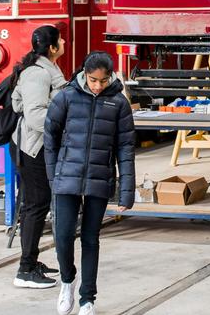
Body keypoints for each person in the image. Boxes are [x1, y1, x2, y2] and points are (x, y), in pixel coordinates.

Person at [45, 52, 135, 315]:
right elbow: (50, 138)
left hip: (99, 179)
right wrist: (54, 177)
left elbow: (126, 148)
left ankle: (88, 299)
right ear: (84, 73)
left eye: (103, 81)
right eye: (93, 80)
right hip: (66, 178)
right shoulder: (65, 97)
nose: (97, 86)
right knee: (62, 237)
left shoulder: (118, 103)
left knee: (90, 239)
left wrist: (126, 192)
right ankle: (67, 280)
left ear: (110, 77)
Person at [10, 25, 67, 289]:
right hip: (32, 148)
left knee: (39, 203)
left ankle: (32, 261)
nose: (64, 42)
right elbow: (35, 117)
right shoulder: (37, 73)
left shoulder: (48, 68)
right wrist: (64, 126)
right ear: (52, 47)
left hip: (40, 146)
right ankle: (25, 269)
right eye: (60, 40)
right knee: (35, 204)